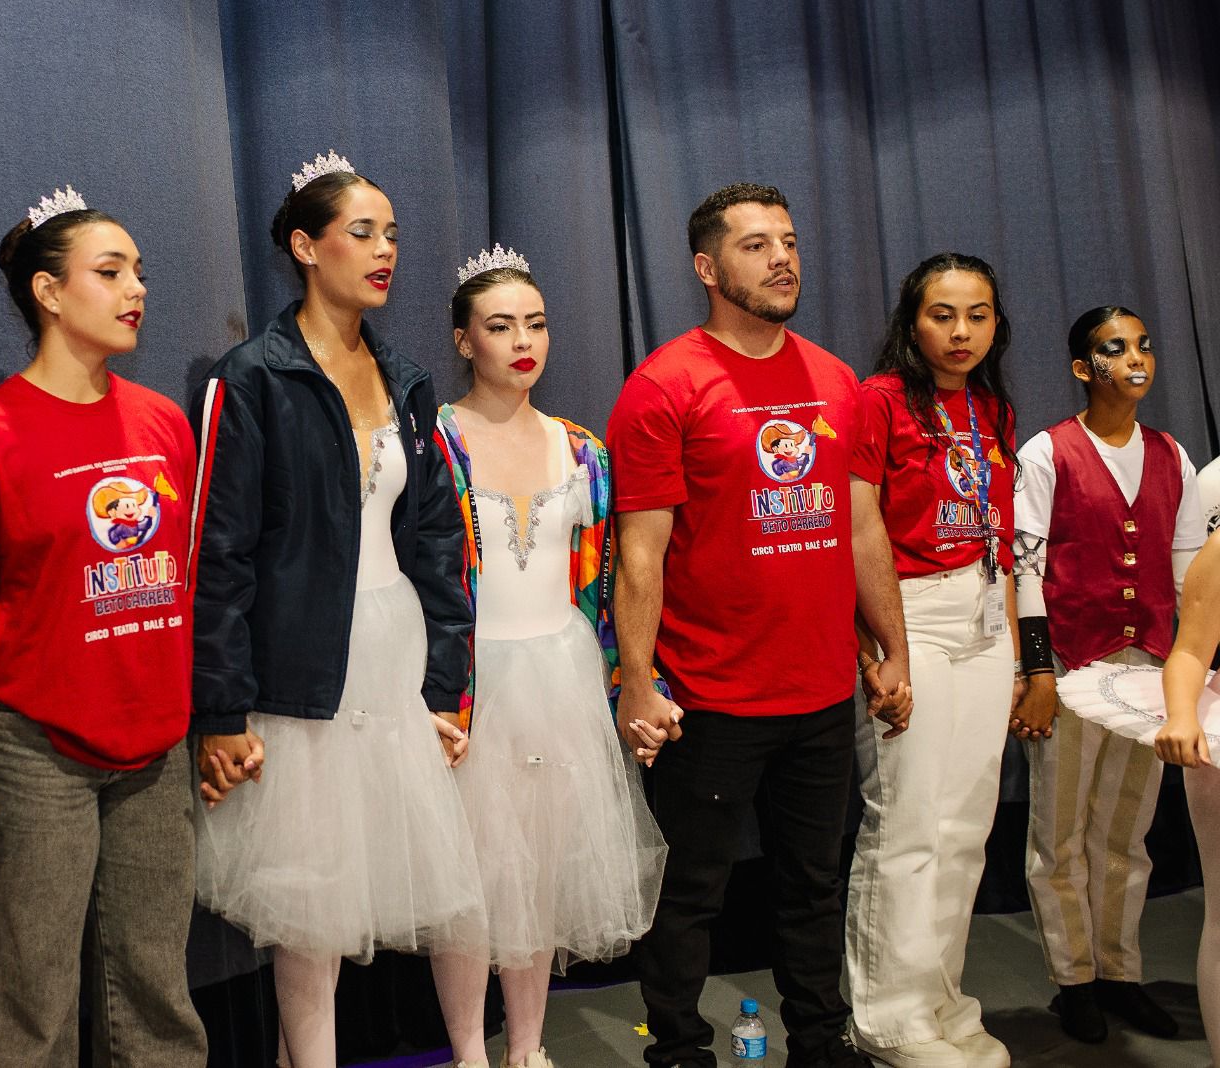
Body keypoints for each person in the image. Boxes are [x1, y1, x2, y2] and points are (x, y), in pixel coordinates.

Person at [187, 151, 484, 1068]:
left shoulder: (406, 378)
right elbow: (221, 555)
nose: (385, 250)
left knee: (416, 879)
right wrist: (222, 707)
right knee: (308, 907)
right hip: (302, 665)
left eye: (392, 234)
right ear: (306, 247)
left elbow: (436, 541)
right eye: (363, 232)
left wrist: (446, 685)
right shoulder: (253, 377)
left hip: (393, 654)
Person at [606, 182, 910, 1068]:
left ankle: (820, 1041)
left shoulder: (837, 382)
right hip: (709, 697)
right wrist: (637, 681)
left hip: (820, 689)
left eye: (789, 241)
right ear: (708, 269)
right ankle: (678, 1050)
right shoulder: (664, 386)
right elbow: (640, 556)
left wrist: (890, 648)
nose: (782, 259)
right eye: (755, 246)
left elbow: (861, 527)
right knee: (689, 896)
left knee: (812, 885)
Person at [0, 187, 207, 1066]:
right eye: (111, 272)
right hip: (36, 746)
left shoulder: (163, 422)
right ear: (49, 293)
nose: (136, 290)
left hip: (155, 742)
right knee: (34, 991)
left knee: (156, 984)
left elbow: (187, 580)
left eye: (139, 273)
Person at [427, 245, 667, 1068]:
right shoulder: (432, 444)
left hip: (559, 678)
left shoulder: (581, 449)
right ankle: (469, 1052)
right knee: (469, 882)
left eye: (535, 323)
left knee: (538, 875)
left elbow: (603, 585)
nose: (522, 341)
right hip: (471, 682)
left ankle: (526, 1049)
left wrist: (626, 683)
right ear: (464, 341)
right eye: (500, 326)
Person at [845, 253, 1020, 1068]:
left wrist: (1014, 653)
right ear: (911, 322)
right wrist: (882, 650)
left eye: (977, 315)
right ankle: (886, 1019)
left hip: (982, 614)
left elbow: (1001, 539)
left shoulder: (992, 407)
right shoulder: (878, 401)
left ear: (996, 325)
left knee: (965, 828)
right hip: (908, 614)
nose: (960, 332)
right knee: (909, 821)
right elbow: (858, 530)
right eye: (942, 315)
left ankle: (942, 999)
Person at [1012, 305, 1205, 1044]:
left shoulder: (1171, 454)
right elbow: (1027, 570)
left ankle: (1121, 973)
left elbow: (1186, 566)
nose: (1135, 358)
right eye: (1115, 347)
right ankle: (1074, 980)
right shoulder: (1047, 453)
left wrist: (1192, 657)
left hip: (1148, 665)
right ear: (1081, 367)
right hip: (1070, 663)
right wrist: (1037, 670)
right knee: (1060, 832)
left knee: (1127, 831)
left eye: (1144, 346)